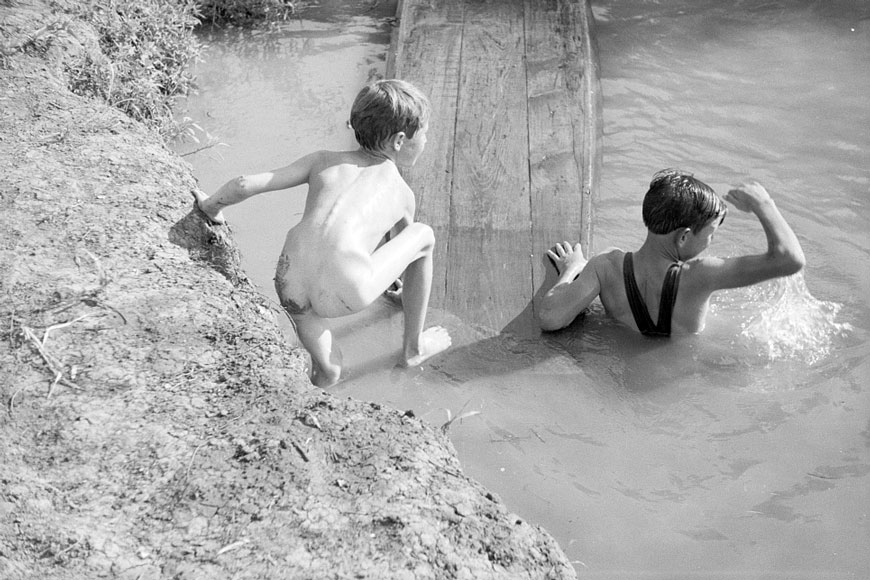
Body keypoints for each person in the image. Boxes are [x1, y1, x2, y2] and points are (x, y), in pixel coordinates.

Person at [194, 79, 451, 386]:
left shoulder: (321, 161)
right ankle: (413, 349)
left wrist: (210, 207)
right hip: (347, 289)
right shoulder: (401, 192)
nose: (425, 141)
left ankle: (326, 373)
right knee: (423, 236)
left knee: (329, 363)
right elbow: (407, 255)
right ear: (399, 140)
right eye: (424, 134)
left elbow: (244, 184)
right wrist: (401, 292)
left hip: (290, 282)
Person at [537, 169, 805, 336]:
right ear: (685, 236)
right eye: (711, 233)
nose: (711, 241)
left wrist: (573, 268)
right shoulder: (701, 276)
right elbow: (790, 259)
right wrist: (765, 205)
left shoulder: (606, 266)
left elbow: (550, 318)